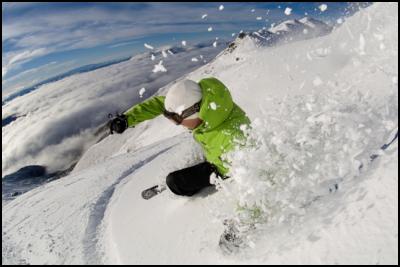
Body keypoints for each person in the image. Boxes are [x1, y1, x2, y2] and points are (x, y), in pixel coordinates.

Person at [110, 77, 250, 196]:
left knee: (175, 182)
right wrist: (127, 119)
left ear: (195, 112)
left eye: (178, 120)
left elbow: (251, 179)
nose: (178, 124)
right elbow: (159, 104)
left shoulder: (235, 139)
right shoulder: (205, 105)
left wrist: (242, 222)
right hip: (214, 152)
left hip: (224, 169)